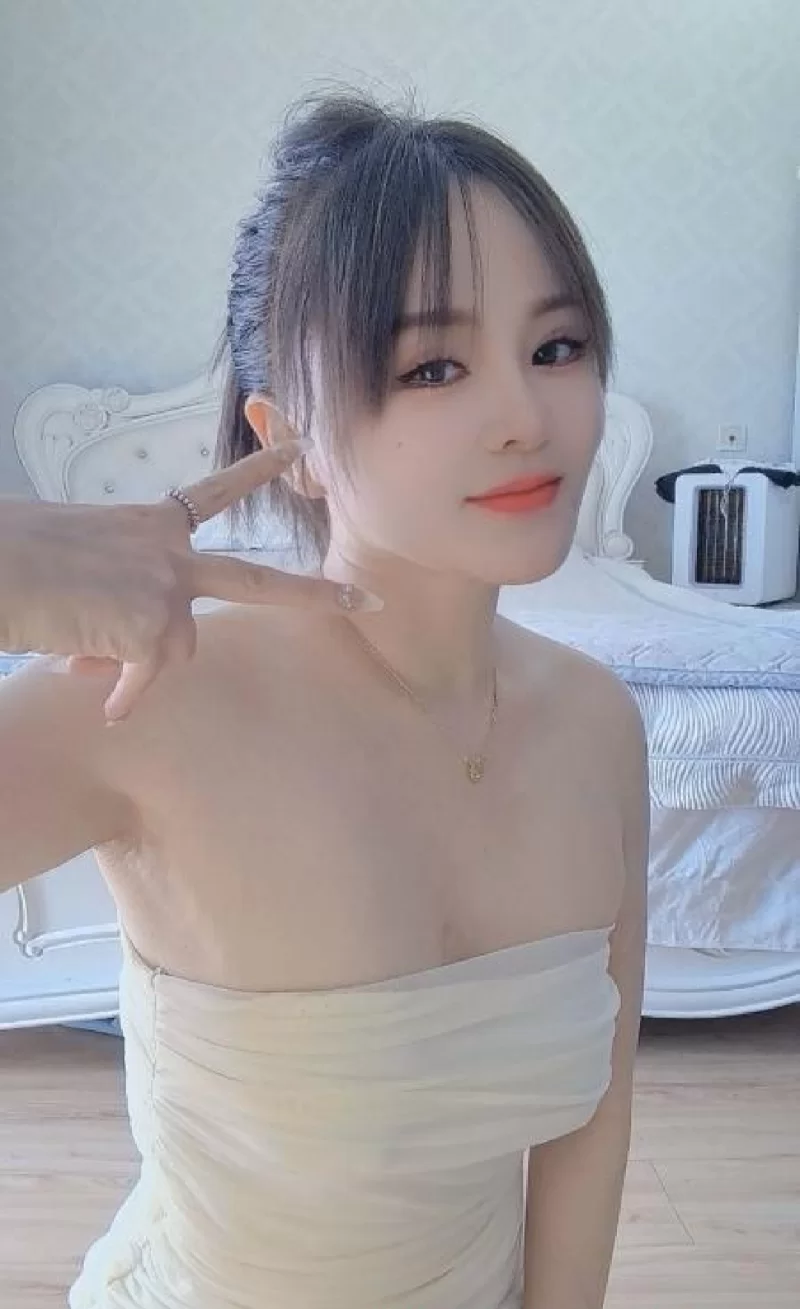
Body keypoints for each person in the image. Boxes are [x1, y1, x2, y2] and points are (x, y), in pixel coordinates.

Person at [0, 90, 649, 1309]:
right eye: (433, 365)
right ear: (283, 434)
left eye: (556, 346)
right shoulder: (152, 699)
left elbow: (590, 1120)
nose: (526, 416)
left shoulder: (596, 724)